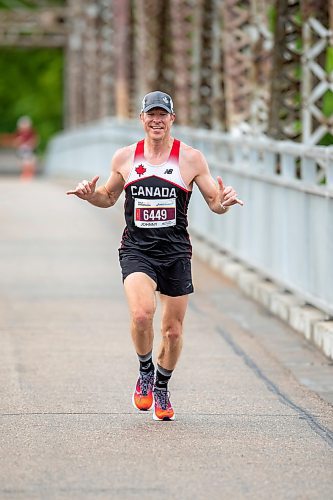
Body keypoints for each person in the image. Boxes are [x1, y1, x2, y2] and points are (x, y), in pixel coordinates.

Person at [67, 91, 243, 421]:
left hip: (175, 253)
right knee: (141, 314)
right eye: (151, 114)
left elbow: (214, 203)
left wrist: (225, 201)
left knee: (173, 331)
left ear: (172, 119)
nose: (157, 120)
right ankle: (145, 371)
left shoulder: (190, 159)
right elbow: (108, 197)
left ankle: (162, 385)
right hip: (137, 250)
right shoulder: (125, 158)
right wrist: (89, 196)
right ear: (142, 119)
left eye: (163, 114)